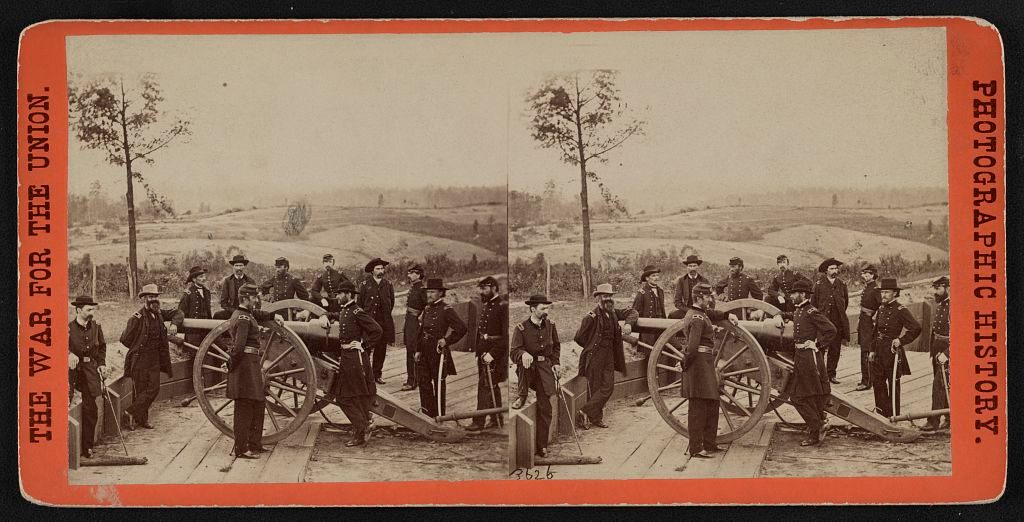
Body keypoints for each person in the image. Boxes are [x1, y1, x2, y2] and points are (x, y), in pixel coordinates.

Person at [319, 281, 383, 447]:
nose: (338, 296)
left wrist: (363, 345)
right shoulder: (345, 310)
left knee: (344, 398)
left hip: (355, 359)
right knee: (353, 397)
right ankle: (361, 430)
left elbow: (377, 330)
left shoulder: (357, 311)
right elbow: (335, 314)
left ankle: (363, 427)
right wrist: (325, 315)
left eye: (340, 294)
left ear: (348, 294)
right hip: (347, 358)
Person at [678, 283, 739, 458]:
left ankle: (709, 443)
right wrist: (684, 364)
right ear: (699, 298)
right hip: (697, 365)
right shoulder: (696, 318)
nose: (711, 299)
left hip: (705, 364)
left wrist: (728, 314)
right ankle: (696, 448)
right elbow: (692, 347)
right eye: (708, 297)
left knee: (712, 404)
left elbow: (712, 314)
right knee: (697, 408)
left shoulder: (701, 313)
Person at [226, 284, 285, 458]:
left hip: (251, 366)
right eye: (254, 297)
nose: (256, 300)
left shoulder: (247, 314)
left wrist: (275, 315)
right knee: (244, 408)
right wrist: (230, 365)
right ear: (245, 298)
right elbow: (238, 348)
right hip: (244, 366)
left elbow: (258, 314)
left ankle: (255, 443)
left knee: (258, 404)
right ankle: (241, 449)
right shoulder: (243, 318)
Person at [777, 280, 837, 446]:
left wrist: (817, 345)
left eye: (794, 293)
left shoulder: (811, 311)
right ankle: (816, 431)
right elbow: (791, 315)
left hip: (809, 358)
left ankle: (817, 426)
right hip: (801, 358)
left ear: (802, 295)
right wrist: (779, 315)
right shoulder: (800, 310)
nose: (791, 296)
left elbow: (831, 330)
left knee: (799, 397)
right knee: (809, 396)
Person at [574, 283, 639, 429]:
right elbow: (578, 337)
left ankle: (584, 411)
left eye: (610, 296)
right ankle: (594, 419)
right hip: (595, 356)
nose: (608, 299)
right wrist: (591, 345)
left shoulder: (614, 312)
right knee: (595, 387)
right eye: (605, 296)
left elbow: (633, 312)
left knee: (608, 387)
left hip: (609, 355)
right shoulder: (591, 317)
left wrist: (628, 324)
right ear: (598, 298)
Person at [120, 284, 184, 430]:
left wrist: (174, 324)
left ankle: (130, 412)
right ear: (144, 299)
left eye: (155, 297)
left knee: (154, 389)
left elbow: (179, 312)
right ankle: (140, 420)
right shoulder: (137, 318)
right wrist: (138, 346)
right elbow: (124, 339)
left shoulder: (160, 313)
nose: (154, 300)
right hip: (141, 359)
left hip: (155, 359)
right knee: (141, 390)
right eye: (150, 297)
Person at [510, 295, 559, 457]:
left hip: (544, 370)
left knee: (546, 408)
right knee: (524, 361)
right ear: (532, 309)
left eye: (547, 308)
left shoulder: (550, 326)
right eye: (542, 308)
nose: (546, 311)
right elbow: (513, 352)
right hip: (528, 372)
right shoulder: (521, 328)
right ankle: (521, 396)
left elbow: (556, 347)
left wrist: (556, 363)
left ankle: (542, 446)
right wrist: (523, 353)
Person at [869, 278, 921, 418]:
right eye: (882, 292)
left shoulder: (901, 310)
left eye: (887, 292)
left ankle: (893, 416)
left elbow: (916, 328)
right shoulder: (880, 308)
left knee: (893, 384)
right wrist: (872, 350)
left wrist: (901, 340)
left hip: (892, 351)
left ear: (895, 294)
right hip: (879, 350)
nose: (883, 295)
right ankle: (881, 415)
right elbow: (875, 331)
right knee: (878, 382)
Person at [414, 278, 467, 418]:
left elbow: (461, 328)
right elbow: (421, 331)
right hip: (424, 351)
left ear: (440, 293)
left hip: (437, 352)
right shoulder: (426, 308)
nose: (429, 295)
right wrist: (418, 350)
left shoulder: (446, 309)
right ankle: (427, 415)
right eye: (428, 292)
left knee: (438, 385)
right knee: (423, 383)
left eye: (432, 292)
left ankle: (439, 416)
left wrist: (447, 340)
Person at [467, 276, 508, 431]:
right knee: (491, 385)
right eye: (481, 289)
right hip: (484, 352)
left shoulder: (502, 306)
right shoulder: (488, 305)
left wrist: (493, 354)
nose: (481, 292)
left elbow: (505, 337)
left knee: (484, 385)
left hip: (495, 354)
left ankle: (478, 422)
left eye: (484, 289)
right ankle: (497, 418)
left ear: (494, 288)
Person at [69, 295, 107, 458]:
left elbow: (102, 348)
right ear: (78, 310)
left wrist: (102, 364)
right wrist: (68, 353)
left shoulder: (96, 327)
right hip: (72, 372)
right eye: (88, 309)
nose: (92, 312)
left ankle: (87, 447)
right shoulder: (67, 328)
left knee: (91, 408)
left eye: (93, 309)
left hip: (90, 371)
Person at [811, 258, 850, 384]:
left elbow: (846, 303)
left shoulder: (842, 285)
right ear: (826, 271)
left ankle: (831, 374)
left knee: (835, 349)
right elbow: (814, 304)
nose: (834, 271)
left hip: (837, 323)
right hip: (823, 323)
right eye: (831, 269)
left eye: (835, 268)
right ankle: (821, 375)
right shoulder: (818, 285)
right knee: (821, 348)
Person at [359, 258, 395, 384]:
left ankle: (377, 375)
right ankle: (366, 375)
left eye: (382, 268)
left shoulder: (388, 285)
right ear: (372, 271)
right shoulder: (364, 285)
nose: (381, 271)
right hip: (369, 323)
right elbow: (360, 305)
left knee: (381, 350)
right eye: (378, 269)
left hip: (384, 323)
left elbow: (392, 303)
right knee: (367, 349)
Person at [922, 276, 951, 431]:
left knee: (938, 384)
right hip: (937, 348)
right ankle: (949, 417)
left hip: (948, 350)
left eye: (938, 288)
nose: (935, 292)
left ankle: (933, 421)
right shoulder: (941, 304)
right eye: (935, 288)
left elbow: (961, 335)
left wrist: (947, 353)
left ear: (948, 289)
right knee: (943, 383)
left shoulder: (955, 306)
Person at [855, 265, 881, 391]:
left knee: (867, 351)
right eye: (863, 273)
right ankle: (866, 378)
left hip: (869, 323)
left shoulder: (875, 289)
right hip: (864, 322)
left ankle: (867, 381)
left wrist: (875, 316)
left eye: (867, 274)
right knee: (864, 350)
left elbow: (882, 306)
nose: (864, 276)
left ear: (873, 275)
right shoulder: (868, 287)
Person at [401, 264, 427, 391]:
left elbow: (427, 306)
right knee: (410, 349)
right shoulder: (414, 287)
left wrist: (421, 316)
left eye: (411, 273)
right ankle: (412, 379)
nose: (409, 275)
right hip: (410, 320)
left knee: (413, 350)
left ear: (418, 274)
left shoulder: (421, 289)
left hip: (415, 323)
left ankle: (413, 381)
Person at [178, 266, 212, 356]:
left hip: (206, 327)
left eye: (204, 276)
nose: (204, 279)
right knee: (195, 353)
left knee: (214, 350)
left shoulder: (207, 291)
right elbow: (181, 311)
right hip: (193, 330)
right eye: (201, 277)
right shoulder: (188, 293)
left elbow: (209, 311)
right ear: (194, 279)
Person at [633, 265, 666, 349]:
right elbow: (634, 311)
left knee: (674, 346)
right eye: (653, 276)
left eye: (657, 275)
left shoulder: (660, 291)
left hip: (662, 324)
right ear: (647, 278)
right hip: (648, 328)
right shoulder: (642, 293)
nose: (656, 278)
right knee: (650, 350)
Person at [216, 254, 255, 319]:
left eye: (241, 265)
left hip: (247, 312)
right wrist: (234, 311)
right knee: (217, 315)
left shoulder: (250, 281)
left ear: (244, 267)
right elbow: (223, 302)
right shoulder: (228, 281)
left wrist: (248, 311)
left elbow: (256, 300)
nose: (239, 268)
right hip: (231, 311)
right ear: (233, 267)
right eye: (236, 266)